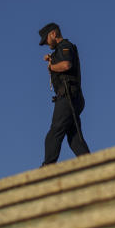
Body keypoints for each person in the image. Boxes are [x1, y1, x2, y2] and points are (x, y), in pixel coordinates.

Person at [39, 22, 90, 165]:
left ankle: (47, 168)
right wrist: (53, 60)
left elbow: (66, 64)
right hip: (73, 97)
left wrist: (52, 66)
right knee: (74, 137)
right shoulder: (59, 50)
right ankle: (90, 163)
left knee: (54, 132)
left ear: (53, 34)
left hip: (68, 96)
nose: (46, 44)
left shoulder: (65, 46)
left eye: (46, 40)